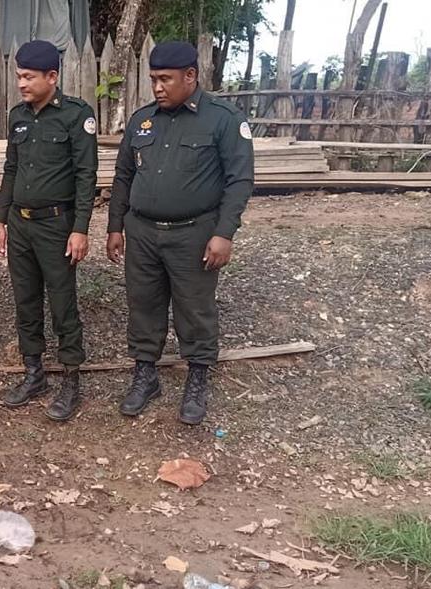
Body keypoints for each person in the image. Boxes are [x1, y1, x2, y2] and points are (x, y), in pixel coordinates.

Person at [106, 41, 255, 425]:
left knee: (194, 307)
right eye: (153, 79)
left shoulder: (223, 119)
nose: (157, 87)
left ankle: (197, 379)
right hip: (142, 232)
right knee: (143, 304)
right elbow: (123, 176)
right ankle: (146, 375)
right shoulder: (142, 120)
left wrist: (224, 233)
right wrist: (115, 226)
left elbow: (239, 180)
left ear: (190, 76)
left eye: (165, 79)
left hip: (194, 233)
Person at [0, 40, 98, 420]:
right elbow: (11, 169)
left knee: (62, 303)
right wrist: (0, 220)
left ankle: (71, 380)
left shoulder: (76, 116)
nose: (21, 83)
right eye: (18, 76)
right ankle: (34, 372)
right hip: (20, 224)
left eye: (28, 77)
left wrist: (80, 229)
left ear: (52, 77)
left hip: (57, 225)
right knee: (26, 301)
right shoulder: (17, 116)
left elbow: (86, 176)